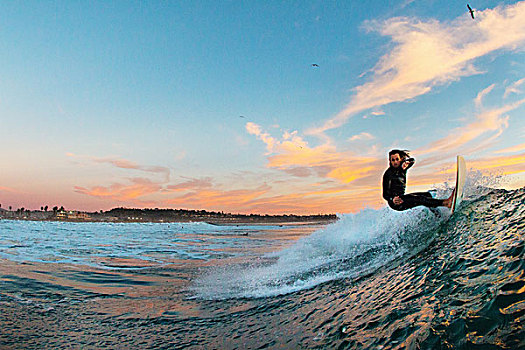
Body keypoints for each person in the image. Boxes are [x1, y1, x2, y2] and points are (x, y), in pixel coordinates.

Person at [382, 149, 453, 211]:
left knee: (427, 195)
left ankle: (437, 214)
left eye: (397, 159)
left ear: (401, 159)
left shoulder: (403, 167)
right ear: (390, 161)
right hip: (396, 203)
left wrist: (407, 162)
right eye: (393, 160)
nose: (395, 162)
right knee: (420, 199)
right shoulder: (388, 174)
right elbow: (385, 194)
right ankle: (445, 203)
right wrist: (392, 199)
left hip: (403, 197)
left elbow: (412, 160)